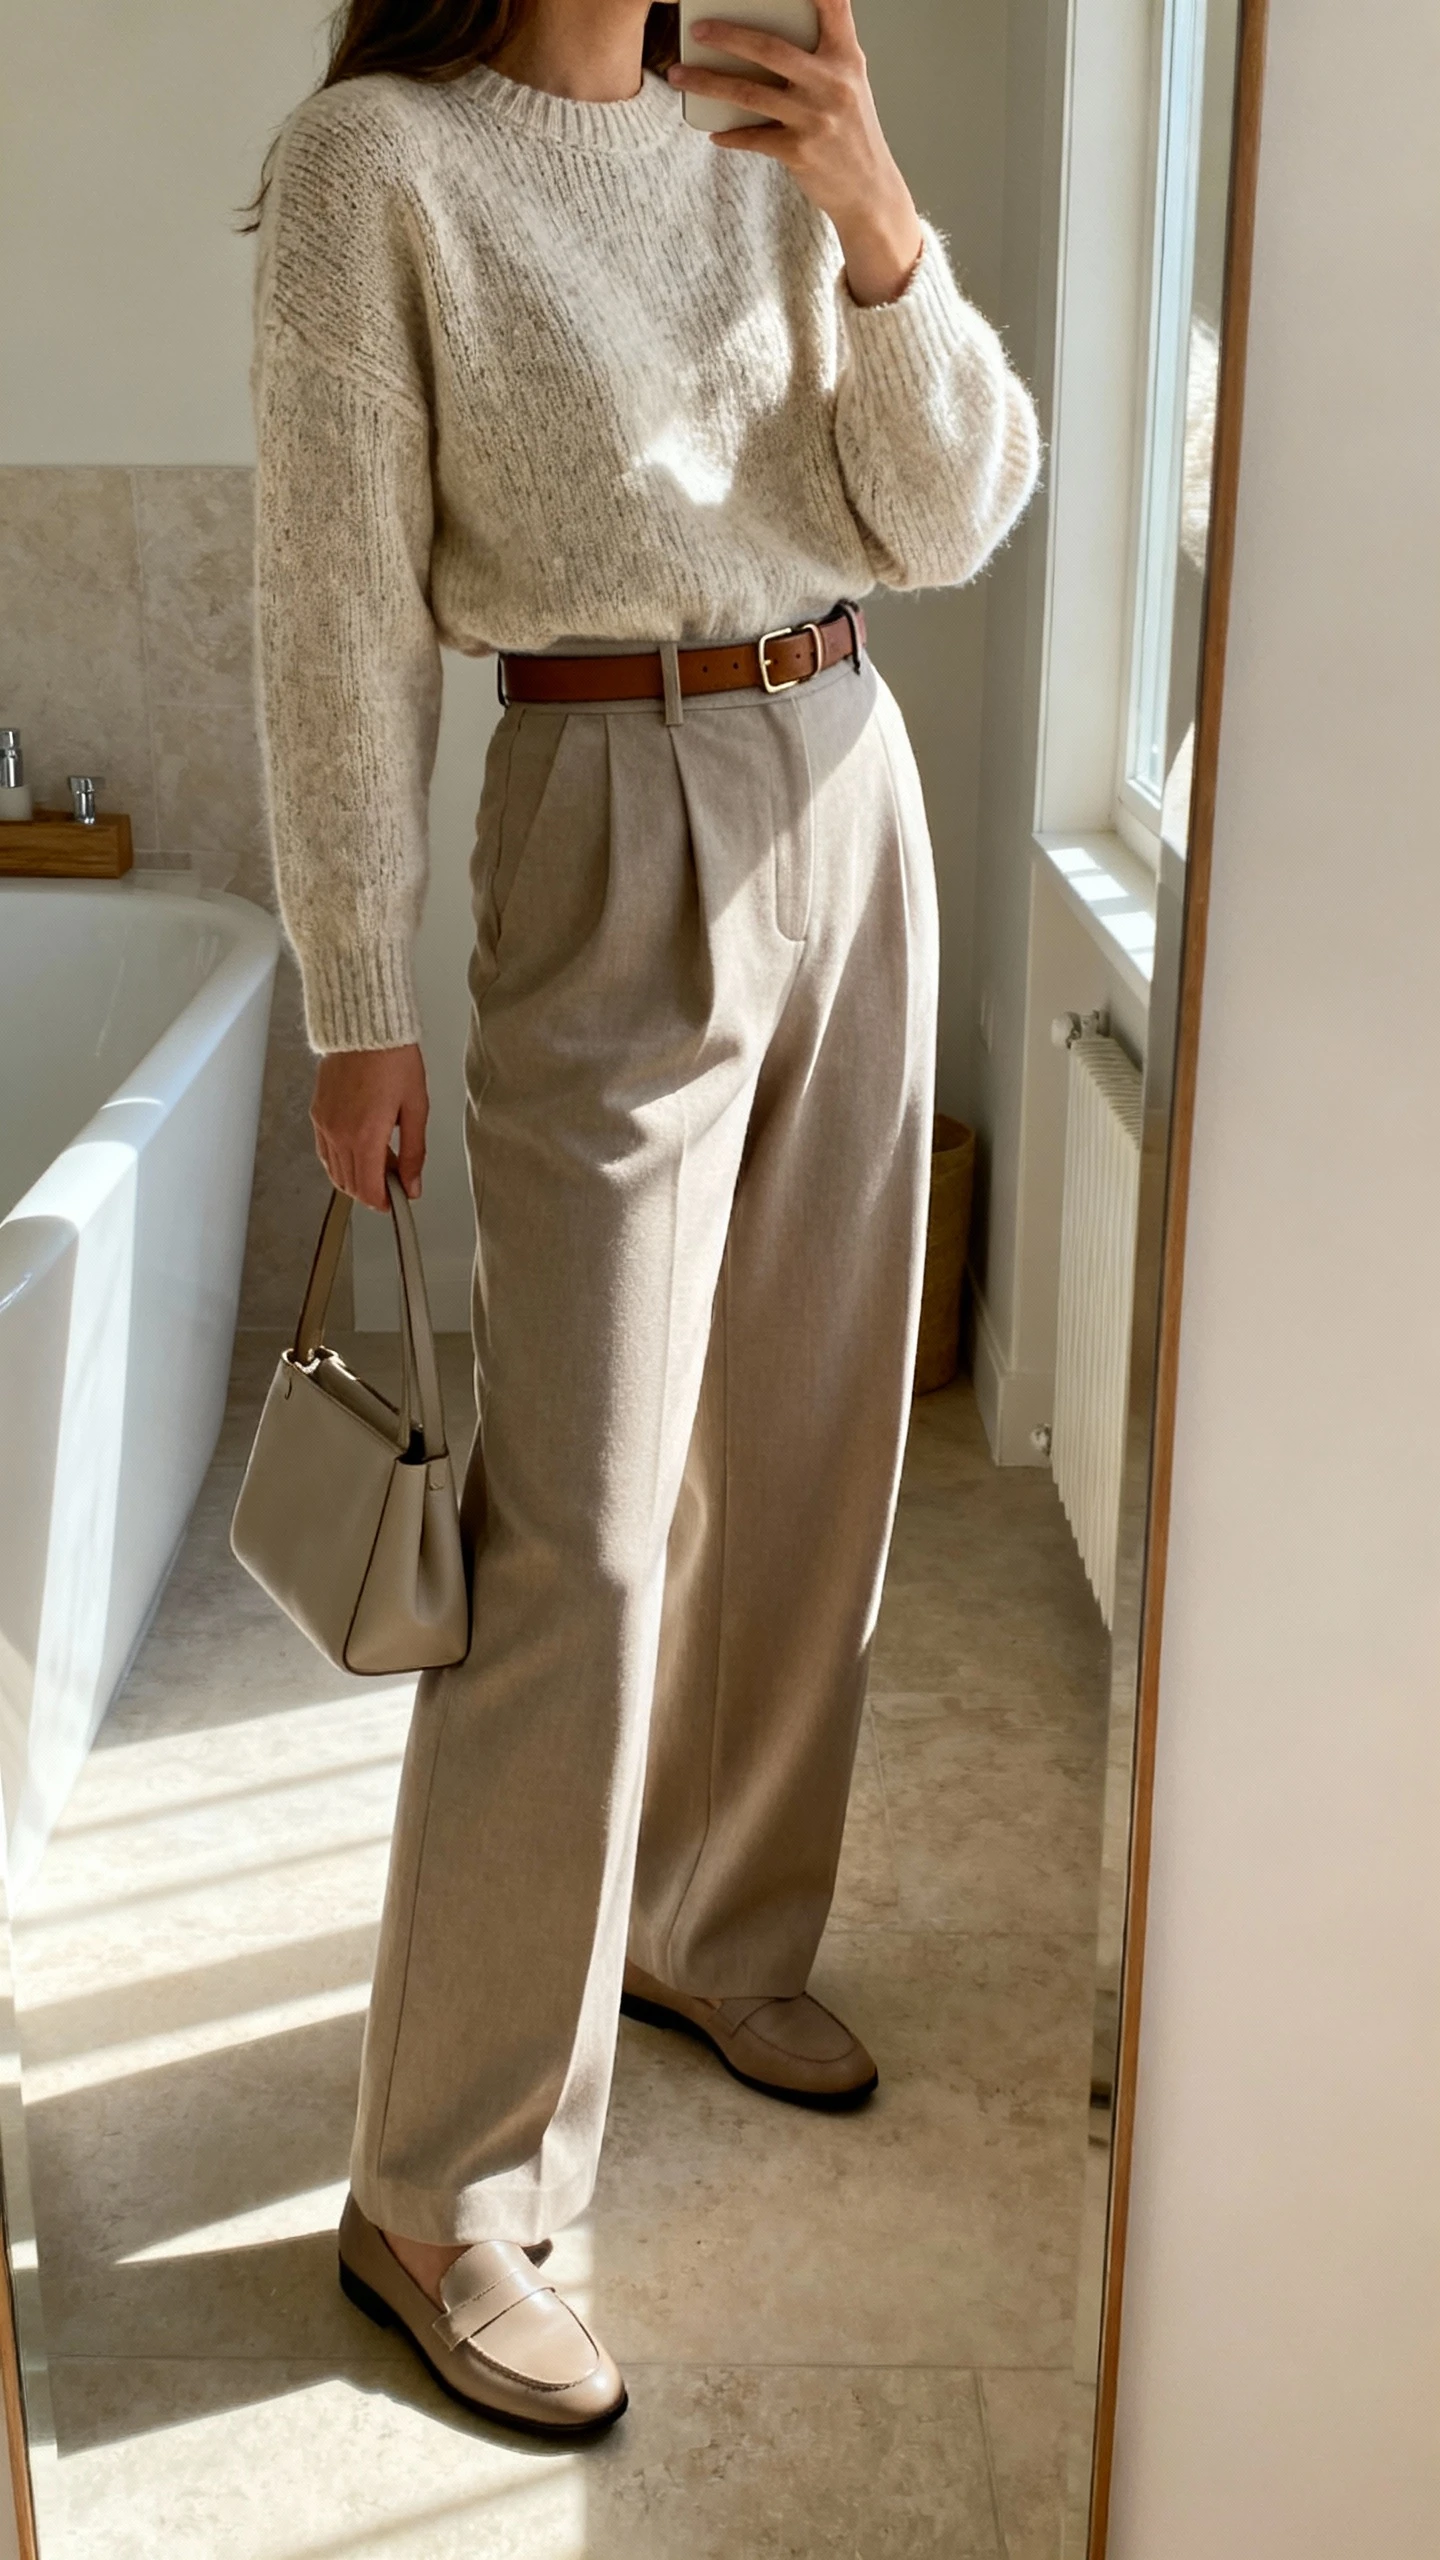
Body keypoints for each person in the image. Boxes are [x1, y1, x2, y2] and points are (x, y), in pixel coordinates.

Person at [253, 0, 1038, 2438]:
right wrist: (353, 989)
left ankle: (715, 1924)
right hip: (601, 799)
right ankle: (448, 2186)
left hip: (849, 768)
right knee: (579, 1528)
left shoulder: (769, 141)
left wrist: (882, 220)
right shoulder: (377, 169)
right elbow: (332, 609)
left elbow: (960, 509)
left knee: (812, 1443)